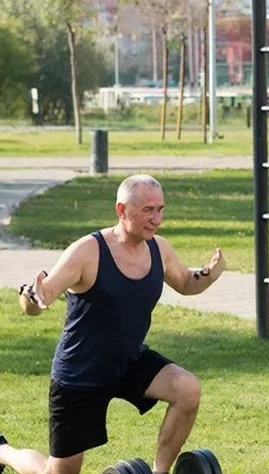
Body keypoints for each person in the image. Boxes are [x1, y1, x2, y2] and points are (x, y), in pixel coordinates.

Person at [0, 174, 226, 474]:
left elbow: (185, 282)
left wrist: (209, 274)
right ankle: (3, 451)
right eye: (148, 210)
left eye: (160, 209)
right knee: (57, 472)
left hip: (127, 361)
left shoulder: (159, 249)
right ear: (121, 210)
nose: (157, 219)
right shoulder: (87, 251)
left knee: (187, 389)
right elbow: (40, 298)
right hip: (80, 373)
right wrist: (31, 298)